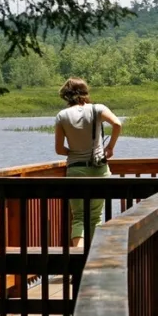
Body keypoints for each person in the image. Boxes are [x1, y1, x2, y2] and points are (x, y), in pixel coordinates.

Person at [54, 77, 122, 248]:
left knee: (79, 217)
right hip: (99, 169)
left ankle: (79, 257)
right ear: (85, 92)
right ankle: (93, 257)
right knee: (95, 217)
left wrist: (73, 152)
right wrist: (110, 148)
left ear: (66, 95)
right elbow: (117, 124)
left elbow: (59, 149)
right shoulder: (97, 109)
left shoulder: (62, 116)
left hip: (76, 170)